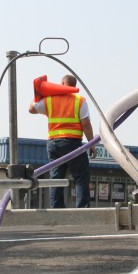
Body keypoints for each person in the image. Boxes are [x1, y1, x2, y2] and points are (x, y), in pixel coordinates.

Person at [28, 75, 94, 208]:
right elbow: (86, 124)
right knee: (81, 176)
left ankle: (56, 209)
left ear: (62, 83)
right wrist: (91, 144)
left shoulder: (50, 100)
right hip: (73, 144)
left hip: (54, 144)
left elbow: (31, 109)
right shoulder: (80, 101)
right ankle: (82, 210)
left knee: (56, 177)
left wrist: (38, 96)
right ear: (74, 86)